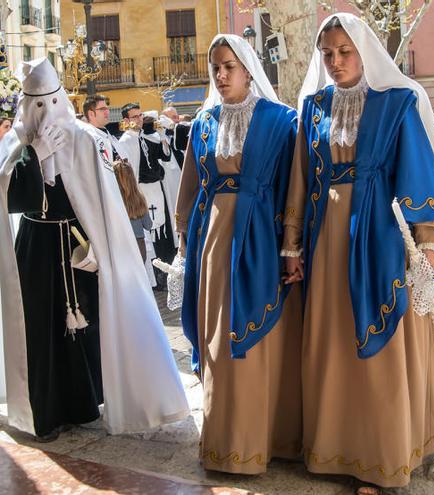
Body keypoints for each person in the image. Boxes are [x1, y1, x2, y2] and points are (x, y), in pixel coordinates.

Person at [282, 14, 434, 492]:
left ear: (364, 52)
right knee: (332, 340)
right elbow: (301, 179)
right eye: (327, 54)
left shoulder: (399, 103)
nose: (335, 62)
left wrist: (427, 243)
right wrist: (292, 244)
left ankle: (383, 453)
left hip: (385, 238)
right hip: (327, 239)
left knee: (386, 344)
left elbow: (417, 171)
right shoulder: (313, 107)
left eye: (345, 52)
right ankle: (334, 447)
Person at [0, 58, 189, 441]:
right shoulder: (16, 140)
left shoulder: (82, 136)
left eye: (52, 103)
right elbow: (5, 196)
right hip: (36, 247)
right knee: (40, 326)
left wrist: (101, 244)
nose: (46, 115)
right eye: (38, 106)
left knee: (86, 326)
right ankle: (45, 412)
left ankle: (84, 403)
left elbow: (102, 199)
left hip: (79, 245)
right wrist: (35, 158)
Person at [176, 33, 302, 475]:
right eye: (215, 67)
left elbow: (295, 186)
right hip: (212, 242)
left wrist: (291, 243)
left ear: (249, 69)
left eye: (229, 65)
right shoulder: (203, 123)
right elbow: (190, 190)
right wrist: (185, 243)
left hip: (262, 240)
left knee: (261, 342)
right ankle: (224, 443)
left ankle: (266, 439)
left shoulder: (283, 120)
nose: (221, 74)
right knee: (217, 343)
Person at [119, 106, 181, 288]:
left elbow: (166, 156)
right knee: (150, 235)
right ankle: (157, 276)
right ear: (126, 120)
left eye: (140, 116)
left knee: (165, 232)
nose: (138, 119)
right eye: (134, 117)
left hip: (158, 189)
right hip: (142, 192)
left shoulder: (148, 138)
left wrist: (161, 134)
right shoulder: (125, 142)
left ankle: (168, 271)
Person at [112, 159, 152, 262]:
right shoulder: (138, 198)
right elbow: (148, 225)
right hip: (139, 245)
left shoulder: (112, 199)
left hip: (121, 245)